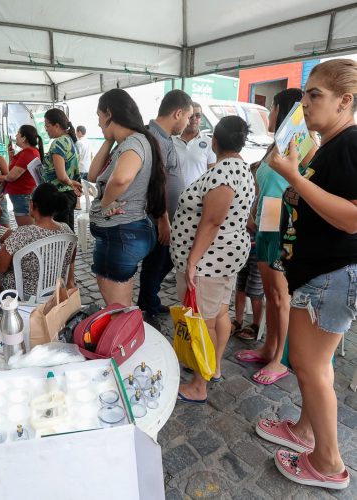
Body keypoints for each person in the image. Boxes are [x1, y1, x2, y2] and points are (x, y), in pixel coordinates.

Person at [255, 59, 357, 490]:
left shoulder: (349, 143)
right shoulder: (331, 143)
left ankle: (329, 463)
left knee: (309, 365)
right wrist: (297, 188)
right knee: (315, 365)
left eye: (315, 95)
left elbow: (352, 218)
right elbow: (325, 202)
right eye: (305, 93)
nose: (305, 103)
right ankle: (304, 431)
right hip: (320, 273)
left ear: (345, 101)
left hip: (330, 275)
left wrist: (294, 176)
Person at [235, 88, 318, 385]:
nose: (268, 114)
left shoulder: (304, 142)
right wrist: (253, 213)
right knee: (270, 293)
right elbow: (265, 184)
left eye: (271, 108)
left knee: (281, 297)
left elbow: (307, 183)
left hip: (284, 224)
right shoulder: (277, 143)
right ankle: (269, 346)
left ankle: (280, 357)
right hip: (266, 220)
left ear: (284, 109)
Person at [170, 115, 255, 403]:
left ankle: (198, 385)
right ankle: (213, 367)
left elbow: (212, 221)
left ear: (215, 141)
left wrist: (192, 261)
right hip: (223, 259)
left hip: (207, 263)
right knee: (218, 313)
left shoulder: (222, 174)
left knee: (201, 323)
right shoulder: (242, 169)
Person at [88, 88, 166, 306]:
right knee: (114, 307)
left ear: (109, 113)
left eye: (99, 117)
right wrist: (109, 138)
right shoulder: (126, 143)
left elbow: (121, 179)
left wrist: (104, 205)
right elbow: (93, 175)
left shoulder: (134, 143)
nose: (98, 123)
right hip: (116, 234)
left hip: (123, 232)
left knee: (120, 311)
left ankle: (128, 339)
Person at [137, 90, 193, 329]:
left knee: (164, 260)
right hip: (159, 217)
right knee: (157, 260)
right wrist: (163, 218)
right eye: (188, 117)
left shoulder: (164, 136)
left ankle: (149, 297)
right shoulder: (153, 138)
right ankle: (146, 305)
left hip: (169, 216)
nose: (188, 122)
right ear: (178, 113)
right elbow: (154, 183)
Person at [0, 183, 74, 295]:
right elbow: (71, 258)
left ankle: (1, 306)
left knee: (0, 274)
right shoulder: (67, 230)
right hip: (55, 288)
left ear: (32, 205)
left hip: (25, 294)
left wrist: (6, 245)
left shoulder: (21, 234)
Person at [0, 127, 42, 227]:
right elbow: (13, 170)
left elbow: (11, 177)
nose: (15, 136)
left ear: (24, 138)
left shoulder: (28, 153)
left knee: (25, 229)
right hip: (21, 196)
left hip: (23, 196)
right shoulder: (27, 152)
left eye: (18, 134)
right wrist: (11, 155)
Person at [43, 108, 82, 230]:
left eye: (47, 125)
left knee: (59, 236)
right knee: (69, 233)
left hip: (59, 195)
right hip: (69, 195)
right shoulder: (70, 140)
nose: (46, 129)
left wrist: (72, 183)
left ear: (57, 125)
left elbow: (61, 176)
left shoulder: (58, 143)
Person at [173, 102, 217, 188]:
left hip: (196, 198)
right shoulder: (172, 140)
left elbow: (213, 175)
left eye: (198, 115)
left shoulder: (209, 143)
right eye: (191, 115)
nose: (194, 118)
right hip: (173, 196)